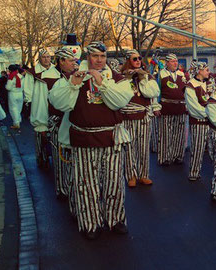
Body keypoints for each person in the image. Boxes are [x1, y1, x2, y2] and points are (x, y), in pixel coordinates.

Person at [48, 41, 133, 240]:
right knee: (86, 183)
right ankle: (90, 223)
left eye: (102, 57)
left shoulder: (115, 77)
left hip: (111, 137)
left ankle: (115, 219)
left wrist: (102, 85)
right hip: (83, 138)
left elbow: (119, 101)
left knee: (114, 182)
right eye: (95, 56)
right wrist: (73, 85)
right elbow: (58, 102)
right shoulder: (72, 77)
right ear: (88, 57)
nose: (99, 60)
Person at [33, 48, 77, 197]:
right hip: (57, 122)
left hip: (74, 123)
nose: (74, 63)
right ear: (61, 61)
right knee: (61, 158)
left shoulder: (78, 75)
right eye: (71, 60)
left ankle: (74, 188)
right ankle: (63, 189)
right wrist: (41, 124)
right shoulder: (46, 77)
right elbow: (41, 101)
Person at [119, 49, 161, 188]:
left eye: (139, 58)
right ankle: (131, 175)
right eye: (134, 59)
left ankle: (144, 174)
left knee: (143, 147)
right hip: (126, 116)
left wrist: (142, 78)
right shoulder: (120, 76)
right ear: (127, 61)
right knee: (129, 147)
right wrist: (129, 78)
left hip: (142, 115)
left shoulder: (147, 76)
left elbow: (153, 93)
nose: (137, 61)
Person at [157, 53, 188, 165]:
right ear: (167, 63)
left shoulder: (182, 74)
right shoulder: (161, 74)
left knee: (179, 133)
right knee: (166, 134)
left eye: (176, 61)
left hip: (180, 107)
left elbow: (187, 92)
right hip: (166, 107)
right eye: (173, 61)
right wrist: (156, 106)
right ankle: (165, 157)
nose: (176, 63)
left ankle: (178, 155)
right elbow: (157, 92)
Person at [185, 61, 211, 181]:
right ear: (199, 71)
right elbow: (193, 106)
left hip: (212, 122)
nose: (209, 72)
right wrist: (209, 114)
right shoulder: (191, 85)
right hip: (199, 122)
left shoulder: (210, 83)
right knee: (197, 148)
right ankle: (194, 172)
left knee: (214, 149)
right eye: (206, 70)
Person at [23, 49, 53, 119]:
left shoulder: (56, 70)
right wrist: (30, 103)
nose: (46, 59)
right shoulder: (32, 72)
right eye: (43, 57)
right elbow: (28, 88)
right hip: (39, 101)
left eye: (48, 57)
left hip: (53, 101)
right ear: (39, 59)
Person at [6, 65, 24, 129]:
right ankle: (18, 120)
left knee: (13, 108)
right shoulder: (21, 76)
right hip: (20, 93)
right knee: (19, 108)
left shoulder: (11, 76)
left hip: (13, 94)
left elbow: (8, 87)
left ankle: (16, 123)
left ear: (10, 70)